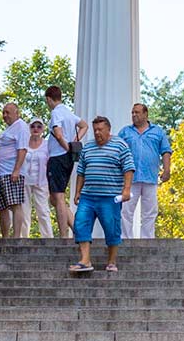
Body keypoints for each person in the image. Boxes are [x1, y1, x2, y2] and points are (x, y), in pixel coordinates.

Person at [70, 115, 135, 273]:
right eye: (95, 130)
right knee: (80, 224)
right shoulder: (88, 147)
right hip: (88, 196)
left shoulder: (120, 145)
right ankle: (85, 260)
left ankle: (111, 261)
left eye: (100, 129)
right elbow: (81, 171)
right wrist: (77, 191)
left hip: (110, 197)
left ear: (108, 130)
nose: (97, 133)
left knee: (111, 228)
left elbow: (129, 168)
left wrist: (126, 189)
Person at [120, 102, 174, 240]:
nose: (134, 115)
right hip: (130, 178)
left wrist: (167, 170)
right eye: (132, 112)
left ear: (145, 114)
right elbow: (116, 150)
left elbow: (166, 151)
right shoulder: (125, 132)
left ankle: (147, 239)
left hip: (150, 177)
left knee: (150, 211)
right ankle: (126, 239)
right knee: (126, 210)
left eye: (137, 112)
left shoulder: (157, 131)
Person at [44, 85, 85, 239]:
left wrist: (67, 145)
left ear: (49, 99)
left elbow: (58, 134)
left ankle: (63, 235)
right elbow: (84, 125)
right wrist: (76, 140)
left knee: (59, 197)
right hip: (68, 158)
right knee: (54, 198)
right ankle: (76, 228)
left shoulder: (56, 113)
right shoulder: (68, 112)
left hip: (58, 156)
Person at [0, 101, 32, 238]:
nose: (4, 115)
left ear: (17, 113)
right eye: (3, 112)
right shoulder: (9, 129)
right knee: (2, 208)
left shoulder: (21, 126)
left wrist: (16, 170)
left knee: (15, 204)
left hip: (11, 172)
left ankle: (16, 237)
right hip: (0, 174)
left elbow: (22, 149)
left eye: (7, 112)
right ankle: (5, 238)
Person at [22, 120, 54, 238]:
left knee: (43, 211)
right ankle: (23, 237)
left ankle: (48, 238)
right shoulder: (24, 143)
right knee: (24, 211)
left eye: (39, 126)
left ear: (42, 129)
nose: (36, 129)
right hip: (24, 180)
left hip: (41, 181)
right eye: (33, 126)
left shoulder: (47, 144)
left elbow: (51, 163)